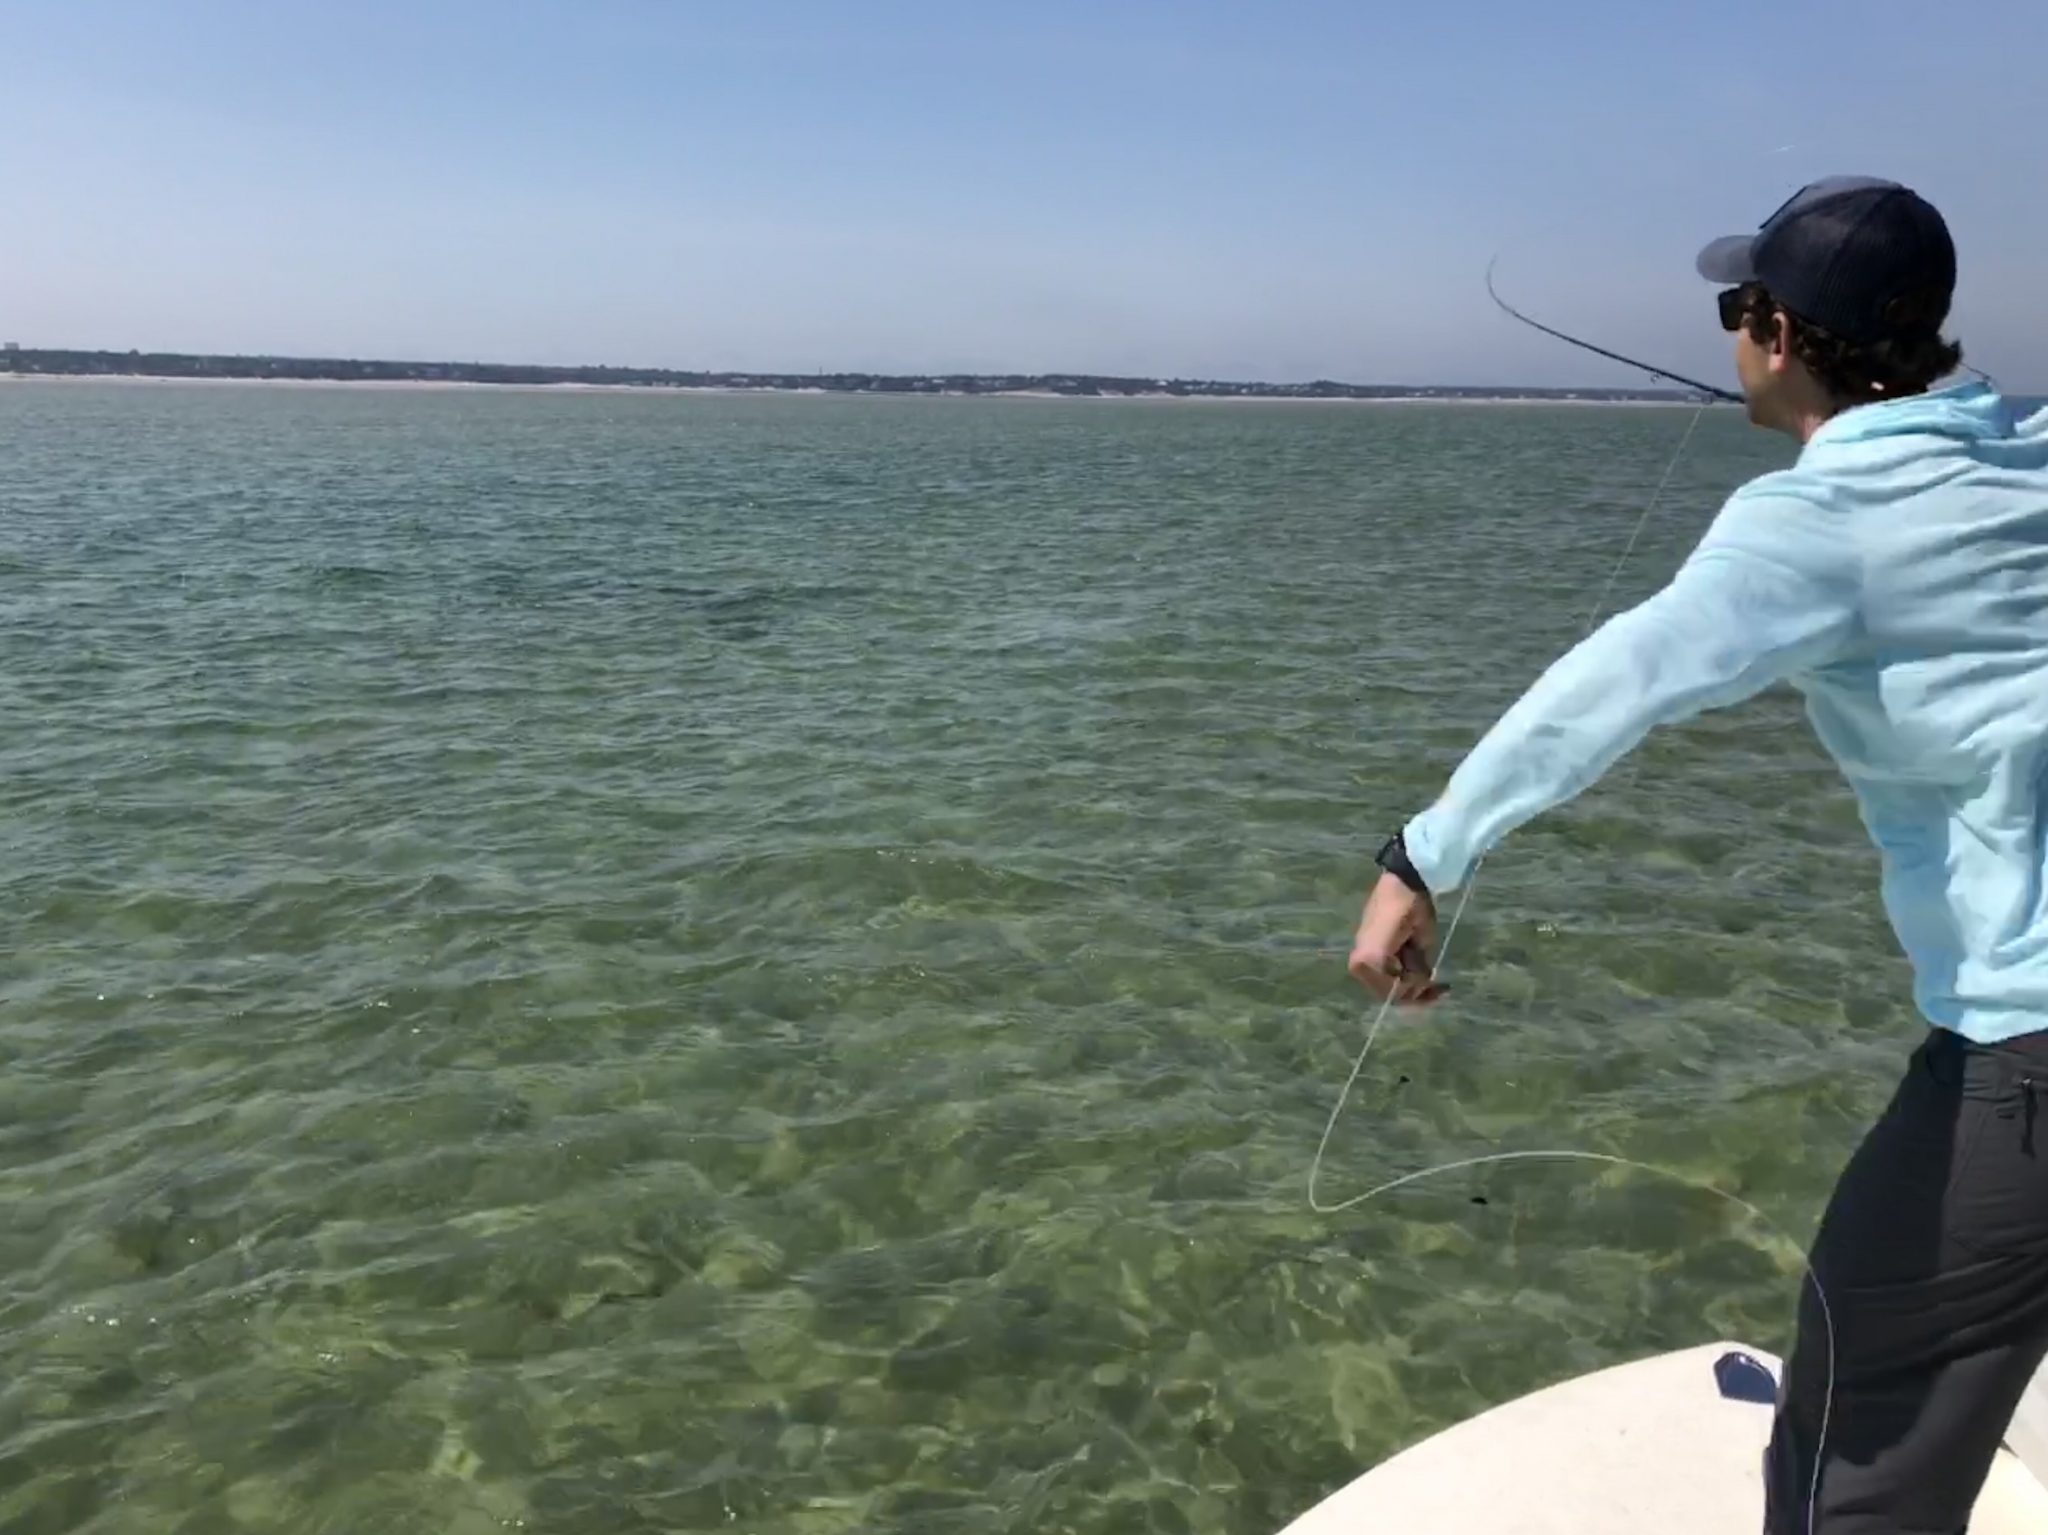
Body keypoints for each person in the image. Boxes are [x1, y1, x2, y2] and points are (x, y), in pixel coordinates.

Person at [1346, 175, 2048, 1533]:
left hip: (2027, 1057)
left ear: (1777, 334)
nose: (1730, 333)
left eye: (1739, 307)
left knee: (1857, 1434)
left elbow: (1615, 685)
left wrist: (1424, 858)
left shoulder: (1814, 524)